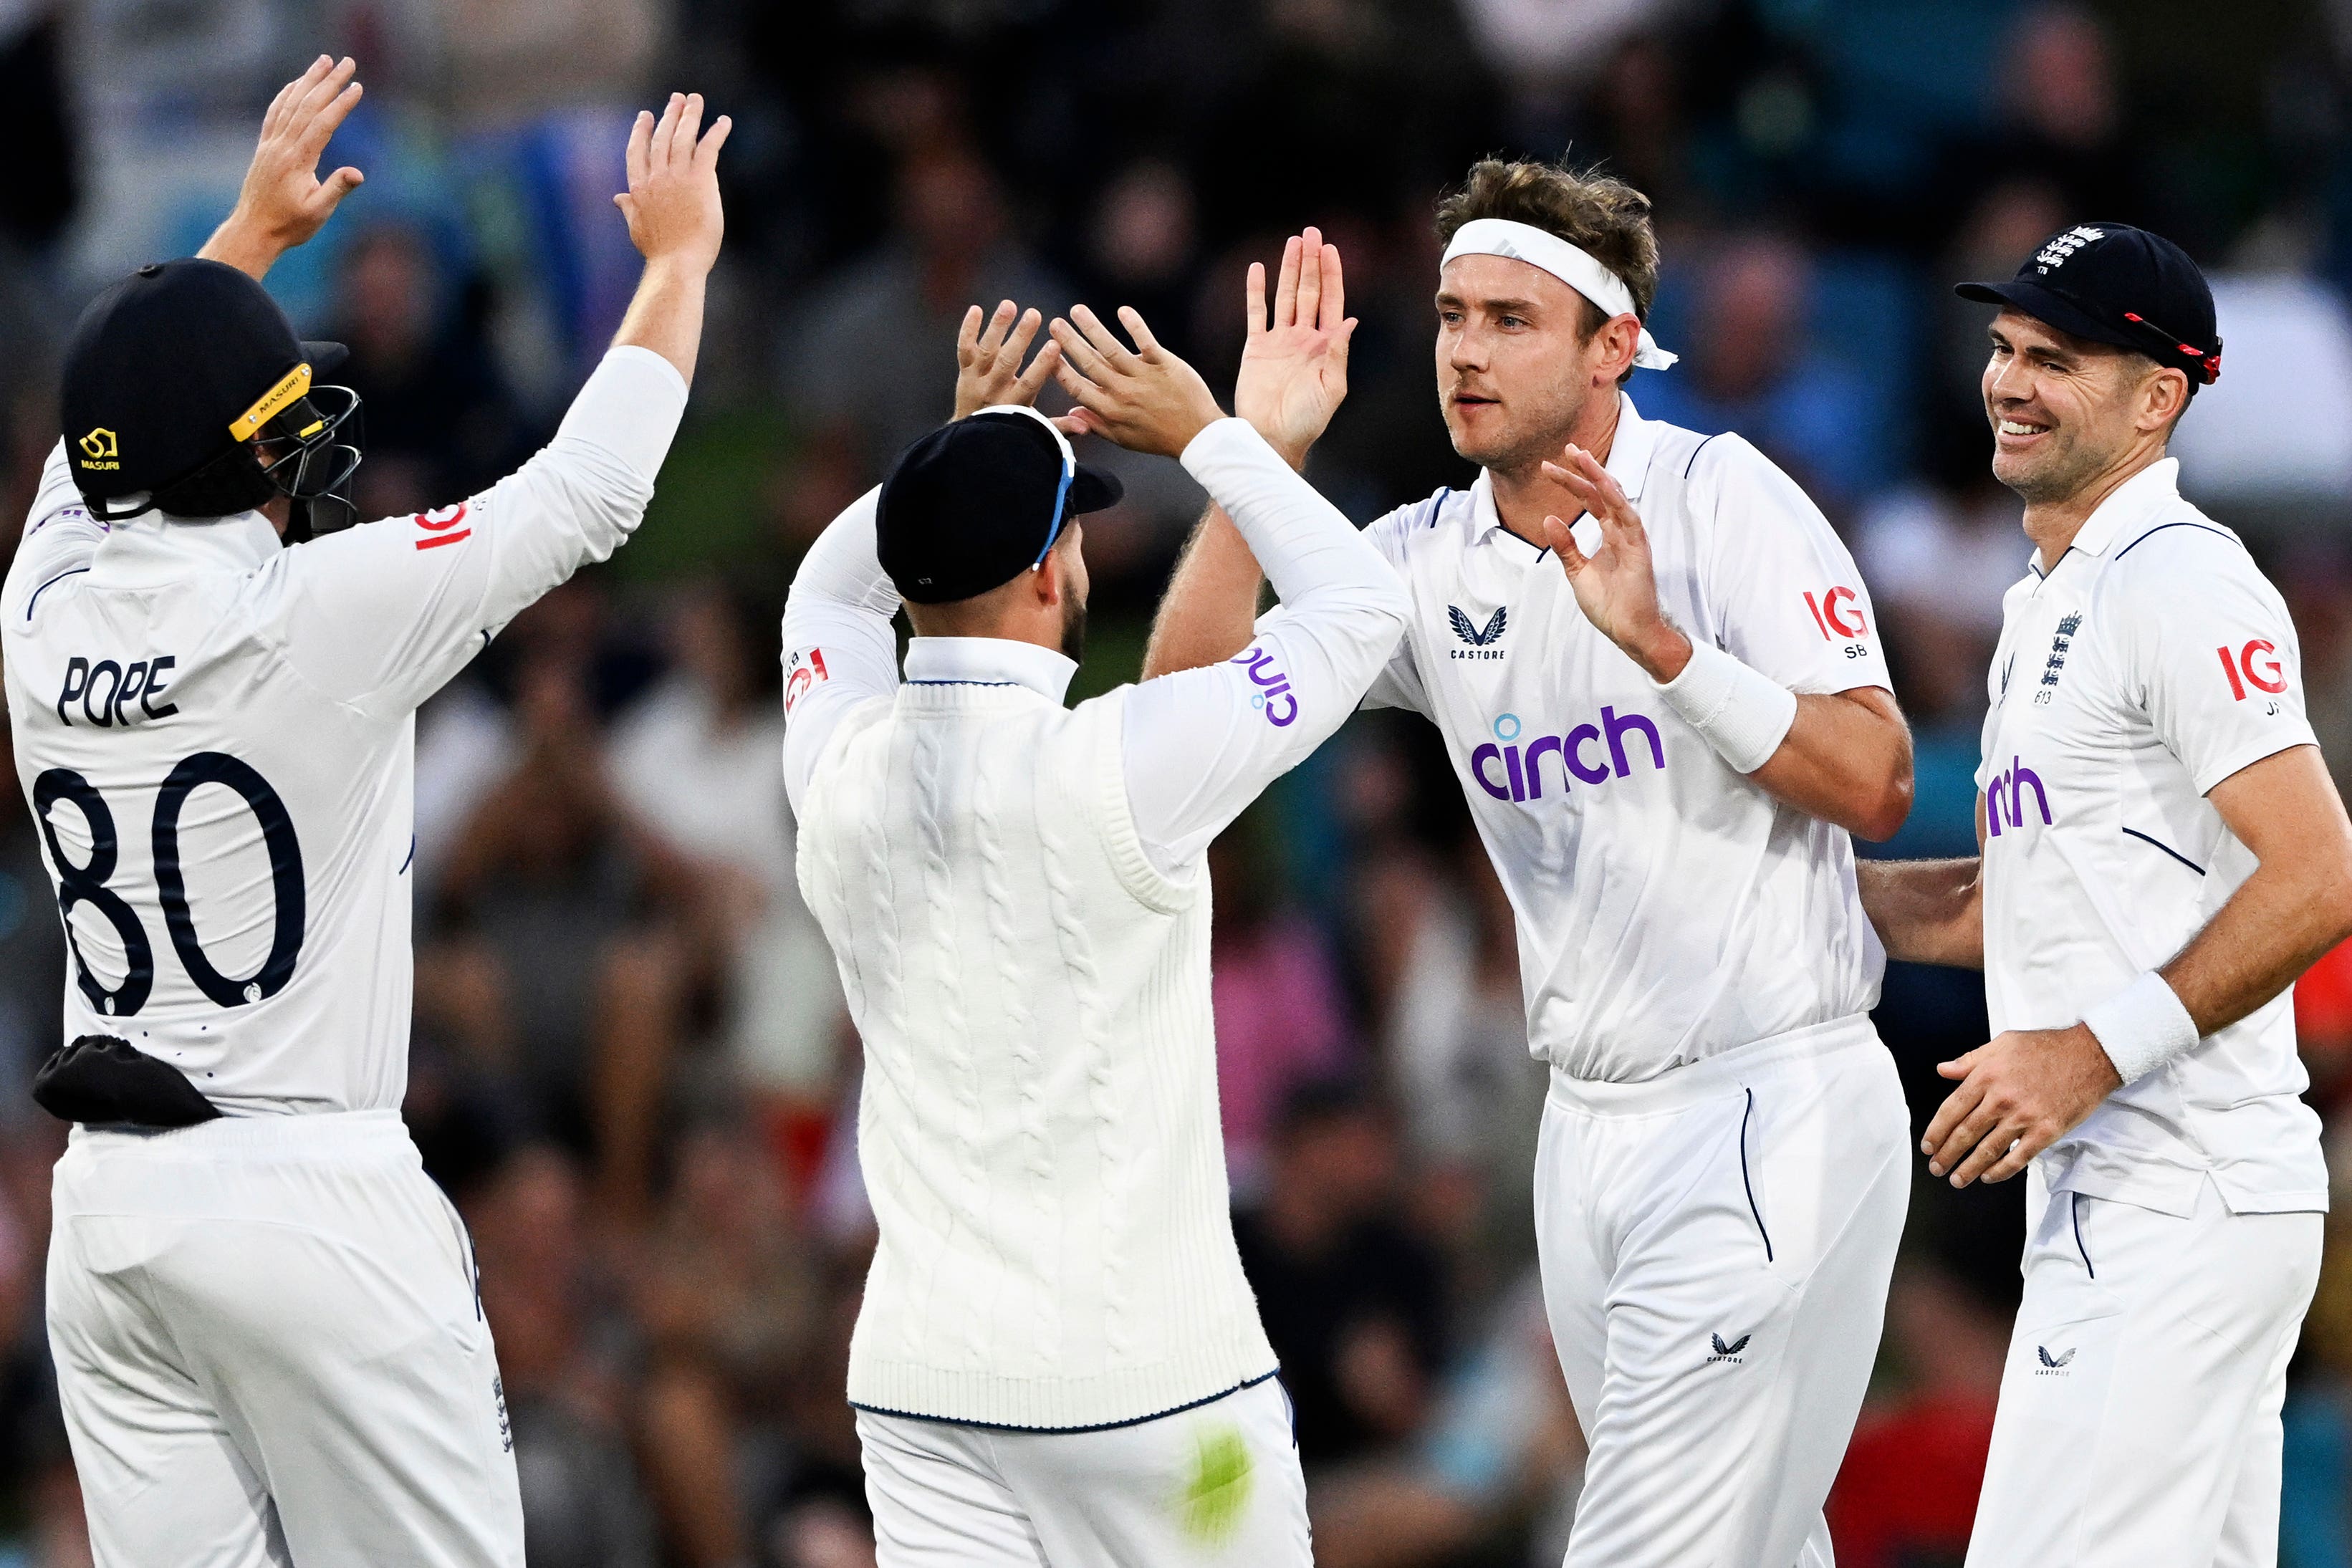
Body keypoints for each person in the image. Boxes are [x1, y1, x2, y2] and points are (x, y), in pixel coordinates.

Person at [8, 57, 729, 1564]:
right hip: (308, 1195)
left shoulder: (40, 598)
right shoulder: (313, 612)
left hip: (112, 1218)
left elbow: (106, 441)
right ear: (235, 458)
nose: (295, 446)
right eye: (270, 423)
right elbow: (590, 491)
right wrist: (675, 265)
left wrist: (246, 241)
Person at [1143, 162, 1917, 1567]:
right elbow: (1176, 725)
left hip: (1763, 1100)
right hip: (1585, 1134)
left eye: (1510, 317)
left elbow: (1876, 778)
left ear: (1612, 344)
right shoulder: (1417, 563)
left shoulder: (1718, 502)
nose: (1465, 350)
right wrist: (1255, 462)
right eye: (1449, 315)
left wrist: (1662, 650)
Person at [778, 288, 1409, 1562]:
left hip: (926, 1392)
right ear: (1053, 572)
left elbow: (823, 606)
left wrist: (942, 468)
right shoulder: (1123, 762)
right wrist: (1214, 437)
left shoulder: (832, 770)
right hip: (1160, 1402)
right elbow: (1359, 606)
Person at [1858, 222, 2352, 1568]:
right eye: (2006, 349)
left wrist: (2089, 1054)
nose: (2009, 382)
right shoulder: (2045, 604)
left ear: (2158, 397)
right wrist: (1798, 896)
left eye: (2056, 359)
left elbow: (2323, 870)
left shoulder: (2180, 579)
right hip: (2129, 1199)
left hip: (2181, 1189)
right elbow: (2010, 898)